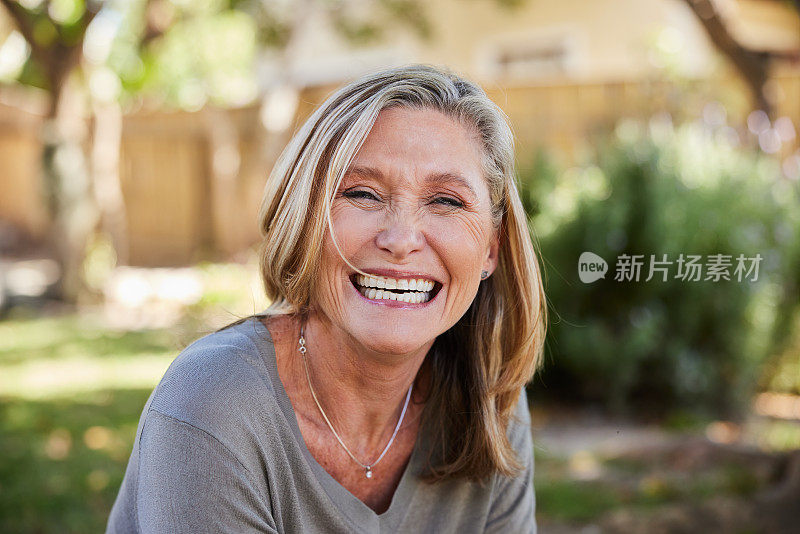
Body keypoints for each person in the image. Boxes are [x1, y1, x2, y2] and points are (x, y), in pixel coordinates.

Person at [106, 64, 547, 534]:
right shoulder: (212, 405)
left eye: (446, 201)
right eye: (363, 193)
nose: (401, 239)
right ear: (306, 221)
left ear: (491, 249)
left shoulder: (490, 394)